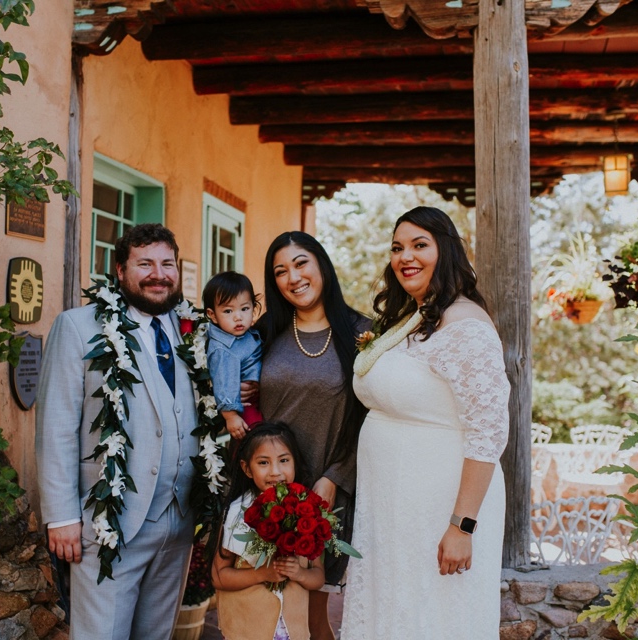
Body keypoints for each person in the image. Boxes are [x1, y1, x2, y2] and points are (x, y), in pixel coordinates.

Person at [339, 206, 510, 639]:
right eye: (397, 248)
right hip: (391, 507)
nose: (405, 257)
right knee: (393, 612)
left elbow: (487, 434)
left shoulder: (466, 325)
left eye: (420, 245)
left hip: (441, 506)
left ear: (446, 252)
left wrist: (461, 526)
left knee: (434, 616)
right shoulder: (411, 319)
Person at [35, 224, 199, 639]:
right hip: (110, 522)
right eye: (145, 264)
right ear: (121, 270)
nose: (158, 274)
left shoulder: (191, 332)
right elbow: (56, 427)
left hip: (178, 524)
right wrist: (61, 518)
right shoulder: (77, 327)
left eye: (167, 264)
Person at [257, 231, 369, 640]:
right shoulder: (264, 332)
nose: (294, 277)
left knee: (311, 617)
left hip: (325, 496)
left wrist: (336, 477)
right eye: (281, 271)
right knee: (265, 613)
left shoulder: (363, 334)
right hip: (266, 492)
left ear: (321, 264)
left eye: (301, 263)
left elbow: (374, 419)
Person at [212, 423, 325, 640]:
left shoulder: (307, 510)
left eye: (284, 460)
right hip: (247, 629)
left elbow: (318, 577)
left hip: (293, 630)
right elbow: (219, 576)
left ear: (294, 463)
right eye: (263, 463)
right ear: (247, 468)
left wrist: (300, 574)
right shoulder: (236, 513)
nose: (275, 472)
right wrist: (264, 573)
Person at [203, 271, 264, 439]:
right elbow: (224, 383)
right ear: (212, 315)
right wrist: (231, 416)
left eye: (245, 309)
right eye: (228, 311)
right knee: (256, 437)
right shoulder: (222, 349)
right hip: (245, 406)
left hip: (260, 397)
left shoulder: (247, 334)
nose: (238, 317)